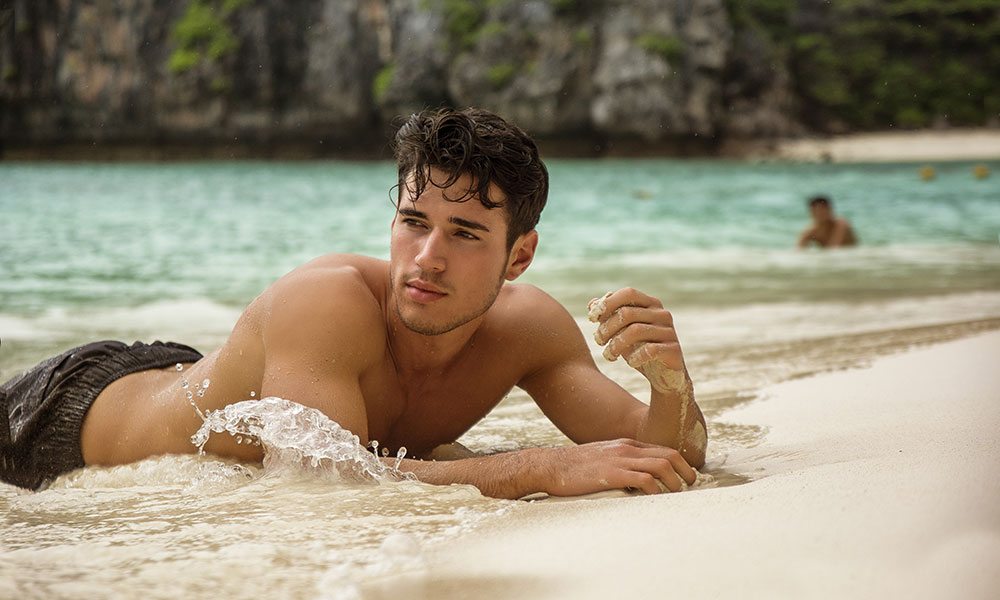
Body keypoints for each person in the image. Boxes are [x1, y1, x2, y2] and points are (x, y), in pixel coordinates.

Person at [1, 108, 706, 499]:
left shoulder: (528, 328)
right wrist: (536, 466)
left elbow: (667, 454)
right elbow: (322, 479)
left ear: (519, 255)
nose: (427, 258)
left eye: (464, 234)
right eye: (413, 222)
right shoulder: (327, 301)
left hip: (203, 381)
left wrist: (669, 380)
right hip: (60, 419)